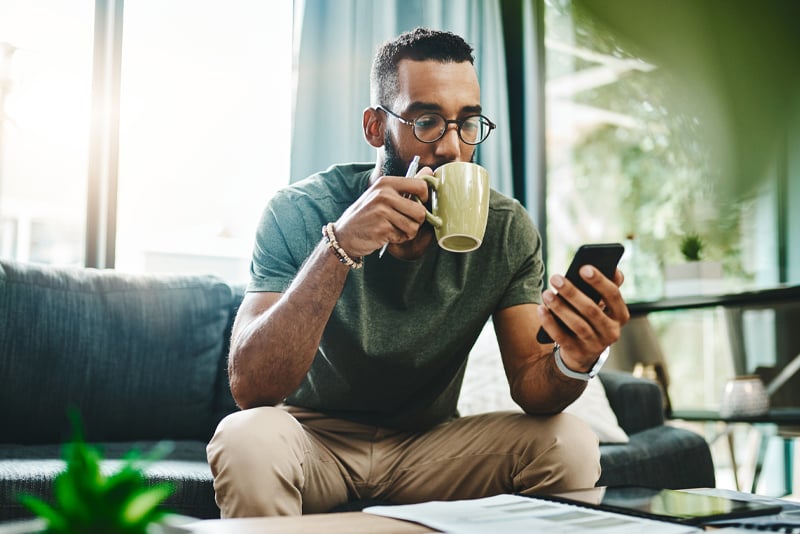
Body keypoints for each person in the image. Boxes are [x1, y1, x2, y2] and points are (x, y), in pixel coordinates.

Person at [206, 27, 629, 518]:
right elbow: (251, 388)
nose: (451, 148)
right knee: (245, 439)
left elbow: (534, 390)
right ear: (374, 127)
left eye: (468, 123)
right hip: (312, 440)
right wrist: (338, 248)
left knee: (568, 442)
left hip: (431, 448)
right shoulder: (298, 211)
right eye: (427, 121)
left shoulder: (506, 229)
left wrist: (576, 358)